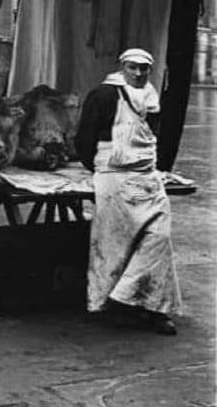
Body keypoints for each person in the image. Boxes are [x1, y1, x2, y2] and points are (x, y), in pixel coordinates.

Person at [75, 48, 181, 335]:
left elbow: (156, 137)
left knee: (159, 240)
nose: (138, 74)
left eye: (143, 69)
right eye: (132, 68)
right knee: (113, 246)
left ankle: (148, 304)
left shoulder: (151, 98)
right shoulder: (103, 95)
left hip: (146, 177)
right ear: (122, 67)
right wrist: (100, 168)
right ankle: (114, 306)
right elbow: (84, 138)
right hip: (113, 177)